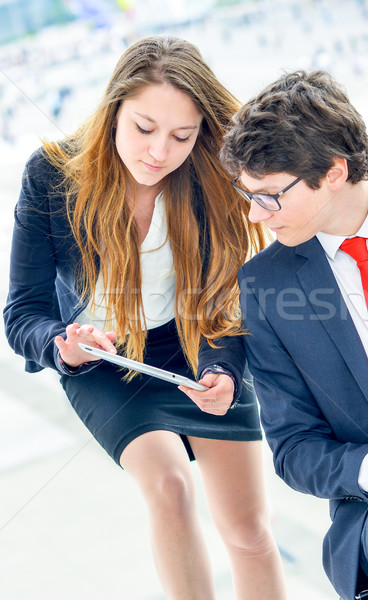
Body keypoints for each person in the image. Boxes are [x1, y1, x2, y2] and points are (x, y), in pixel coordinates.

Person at [3, 35, 287, 600]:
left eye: (182, 136)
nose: (159, 152)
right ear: (113, 111)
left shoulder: (210, 183)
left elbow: (218, 307)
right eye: (143, 128)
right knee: (170, 488)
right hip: (102, 360)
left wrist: (224, 370)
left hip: (194, 346)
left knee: (250, 532)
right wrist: (63, 344)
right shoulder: (53, 176)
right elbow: (21, 313)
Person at [220, 69, 368, 600]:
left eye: (270, 196)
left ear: (333, 171)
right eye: (247, 194)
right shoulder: (267, 285)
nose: (255, 215)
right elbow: (293, 448)